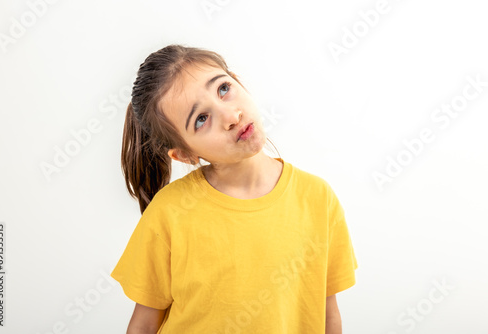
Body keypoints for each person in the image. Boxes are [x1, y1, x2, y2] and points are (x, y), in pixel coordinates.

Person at [110, 44, 358, 334]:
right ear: (184, 155)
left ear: (238, 80)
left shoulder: (318, 199)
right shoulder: (169, 212)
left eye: (224, 89)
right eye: (201, 119)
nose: (230, 116)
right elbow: (143, 325)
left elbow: (328, 314)